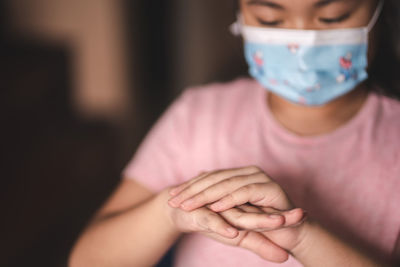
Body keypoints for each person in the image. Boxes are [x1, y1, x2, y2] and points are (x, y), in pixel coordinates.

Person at [68, 0, 400, 266]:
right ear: (239, 15)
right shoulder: (197, 116)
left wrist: (304, 239)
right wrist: (167, 213)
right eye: (271, 20)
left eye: (332, 17)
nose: (303, 39)